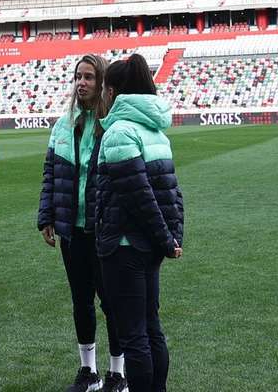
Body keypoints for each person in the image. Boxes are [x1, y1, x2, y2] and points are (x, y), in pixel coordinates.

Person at [96, 54, 184, 392]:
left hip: (125, 245)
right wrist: (171, 237)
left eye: (105, 89)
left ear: (114, 92)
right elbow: (172, 192)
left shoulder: (120, 131)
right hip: (149, 245)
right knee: (151, 327)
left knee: (134, 334)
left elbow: (138, 195)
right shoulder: (156, 131)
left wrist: (165, 238)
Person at [39, 55, 127, 392]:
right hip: (71, 230)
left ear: (102, 82)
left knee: (111, 303)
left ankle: (117, 373)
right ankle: (88, 371)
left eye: (89, 77)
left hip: (103, 230)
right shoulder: (63, 125)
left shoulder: (112, 124)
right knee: (81, 301)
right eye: (78, 76)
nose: (82, 83)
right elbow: (51, 174)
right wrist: (46, 215)